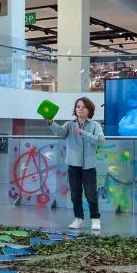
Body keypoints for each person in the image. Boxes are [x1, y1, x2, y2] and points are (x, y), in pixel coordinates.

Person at [44, 97, 105, 231]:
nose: (80, 109)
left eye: (83, 107)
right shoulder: (70, 125)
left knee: (90, 193)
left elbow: (100, 141)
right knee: (75, 194)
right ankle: (79, 219)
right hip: (73, 165)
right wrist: (50, 122)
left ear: (89, 110)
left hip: (89, 166)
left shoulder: (95, 125)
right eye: (78, 106)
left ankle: (95, 219)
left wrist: (83, 133)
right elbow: (60, 132)